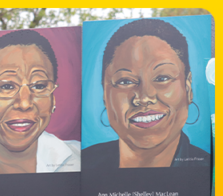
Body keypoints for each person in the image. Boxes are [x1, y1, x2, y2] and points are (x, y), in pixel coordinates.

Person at [84, 18, 210, 169]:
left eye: (162, 78)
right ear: (105, 94)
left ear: (188, 88)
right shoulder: (84, 165)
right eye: (125, 81)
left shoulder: (212, 172)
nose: (144, 97)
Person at [0, 30, 81, 175]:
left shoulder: (82, 160)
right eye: (7, 86)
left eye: (39, 86)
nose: (24, 103)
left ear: (53, 99)